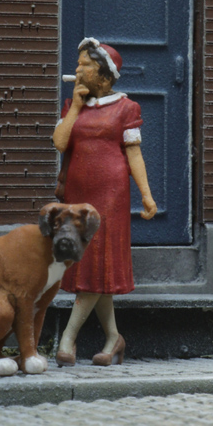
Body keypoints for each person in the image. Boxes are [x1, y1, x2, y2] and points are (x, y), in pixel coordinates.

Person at [52, 38, 157, 366]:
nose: (78, 69)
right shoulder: (73, 105)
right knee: (95, 268)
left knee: (96, 261)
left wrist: (146, 194)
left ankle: (68, 339)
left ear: (104, 73)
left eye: (85, 65)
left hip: (110, 196)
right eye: (78, 64)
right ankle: (113, 338)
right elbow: (60, 143)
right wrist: (76, 108)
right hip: (77, 195)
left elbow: (134, 154)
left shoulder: (127, 108)